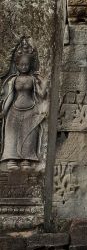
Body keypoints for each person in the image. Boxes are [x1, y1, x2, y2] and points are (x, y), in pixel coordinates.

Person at [1, 39, 46, 172]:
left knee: (29, 135)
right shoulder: (13, 79)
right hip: (14, 110)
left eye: (26, 65)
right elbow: (9, 96)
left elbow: (41, 95)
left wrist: (43, 82)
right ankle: (12, 159)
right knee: (12, 135)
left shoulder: (33, 79)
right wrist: (4, 111)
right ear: (17, 65)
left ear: (30, 65)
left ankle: (27, 159)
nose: (24, 67)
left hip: (31, 110)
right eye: (21, 65)